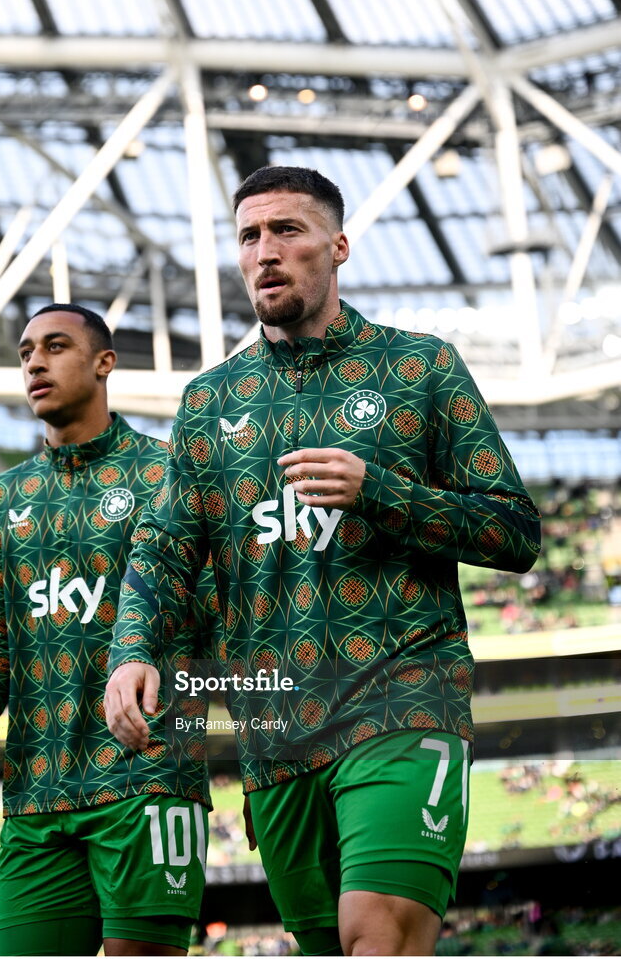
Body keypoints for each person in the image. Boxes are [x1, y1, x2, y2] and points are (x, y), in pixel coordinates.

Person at [105, 166, 542, 956]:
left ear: (337, 247)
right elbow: (165, 546)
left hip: (403, 693)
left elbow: (513, 532)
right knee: (324, 943)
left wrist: (381, 492)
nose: (264, 251)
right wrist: (130, 652)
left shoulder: (420, 368)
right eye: (248, 236)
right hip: (273, 724)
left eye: (287, 231)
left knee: (374, 933)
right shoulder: (209, 402)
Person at [0, 303, 214, 957]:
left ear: (105, 362)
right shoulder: (5, 497)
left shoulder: (167, 473)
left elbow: (222, 624)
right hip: (35, 794)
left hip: (148, 781)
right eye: (24, 353)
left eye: (54, 346)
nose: (35, 363)